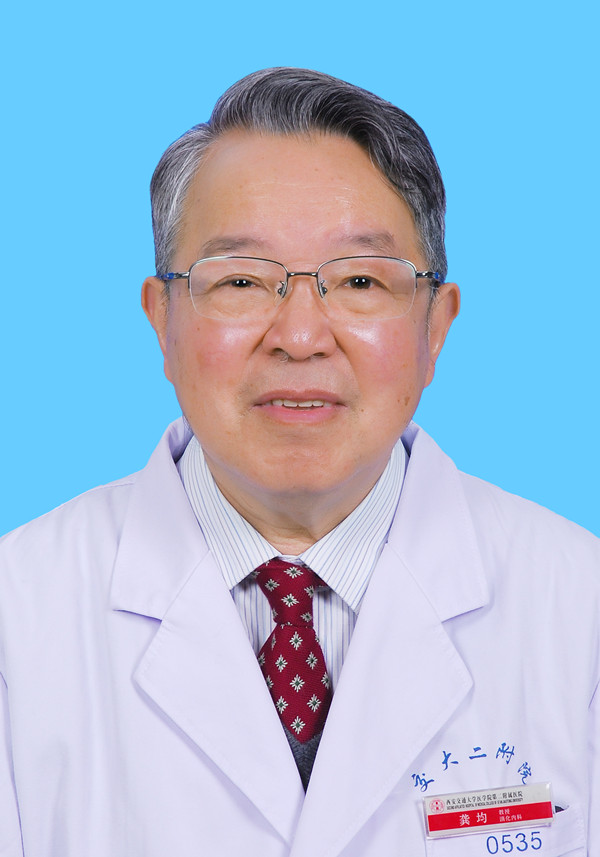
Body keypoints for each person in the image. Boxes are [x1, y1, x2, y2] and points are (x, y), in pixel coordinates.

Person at [0, 68, 598, 856]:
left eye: (360, 280)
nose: (301, 337)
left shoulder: (579, 610)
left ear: (435, 328)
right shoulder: (19, 618)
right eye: (242, 280)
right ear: (162, 319)